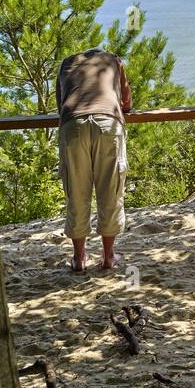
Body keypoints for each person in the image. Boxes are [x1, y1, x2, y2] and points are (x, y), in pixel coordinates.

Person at [56, 47, 132, 272]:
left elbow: (61, 107)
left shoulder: (65, 63)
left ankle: (79, 258)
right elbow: (126, 102)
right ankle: (108, 257)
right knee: (110, 191)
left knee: (76, 192)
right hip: (107, 122)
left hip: (73, 125)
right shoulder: (113, 61)